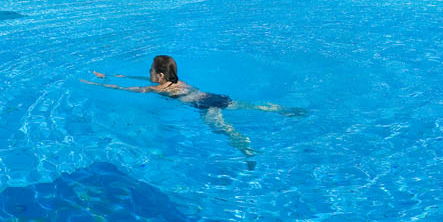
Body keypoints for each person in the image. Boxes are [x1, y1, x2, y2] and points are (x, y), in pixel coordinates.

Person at [89, 55, 305, 160]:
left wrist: (95, 84)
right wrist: (108, 75)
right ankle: (283, 110)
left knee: (223, 128)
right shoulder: (177, 81)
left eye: (150, 71)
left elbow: (125, 89)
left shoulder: (156, 89)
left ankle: (246, 148)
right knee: (252, 106)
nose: (148, 73)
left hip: (202, 104)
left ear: (160, 75)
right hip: (213, 96)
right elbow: (135, 79)